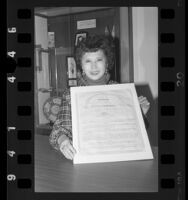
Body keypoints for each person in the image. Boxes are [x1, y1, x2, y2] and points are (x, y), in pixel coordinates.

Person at [49, 34, 150, 160]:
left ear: (107, 62)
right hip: (84, 158)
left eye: (99, 60)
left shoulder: (121, 91)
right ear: (81, 65)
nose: (94, 66)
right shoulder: (71, 95)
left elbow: (132, 134)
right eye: (88, 61)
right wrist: (63, 141)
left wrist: (140, 114)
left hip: (117, 157)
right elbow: (58, 129)